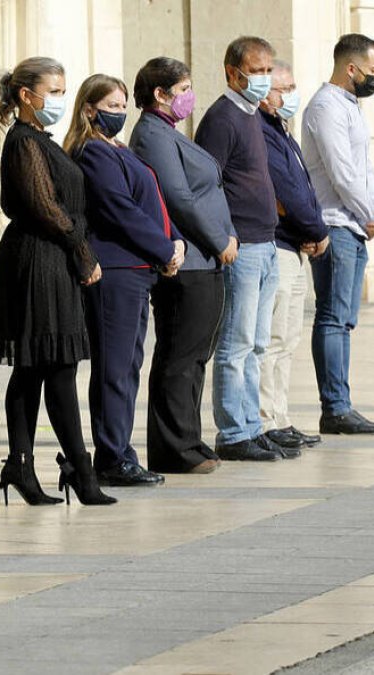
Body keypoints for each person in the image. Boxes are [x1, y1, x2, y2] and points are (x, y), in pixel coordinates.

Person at [0, 58, 115, 507]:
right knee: (50, 365)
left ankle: (27, 466)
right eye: (55, 91)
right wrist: (83, 253)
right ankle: (77, 470)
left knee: (40, 367)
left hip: (53, 258)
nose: (61, 99)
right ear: (27, 96)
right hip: (39, 260)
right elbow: (45, 207)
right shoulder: (23, 141)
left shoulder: (41, 140)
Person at [65, 74, 185, 488]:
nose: (119, 113)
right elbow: (120, 209)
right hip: (116, 272)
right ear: (89, 109)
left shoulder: (117, 148)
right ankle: (112, 456)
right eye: (111, 107)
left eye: (122, 106)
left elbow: (153, 200)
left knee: (129, 364)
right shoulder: (93, 153)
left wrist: (175, 241)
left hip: (139, 269)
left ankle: (120, 450)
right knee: (115, 367)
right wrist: (164, 249)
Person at [130, 57, 235, 474]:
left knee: (195, 356)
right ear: (160, 93)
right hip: (188, 260)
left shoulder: (168, 131)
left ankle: (189, 440)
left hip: (204, 259)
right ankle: (174, 448)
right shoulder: (152, 134)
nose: (190, 96)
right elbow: (178, 196)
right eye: (184, 88)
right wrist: (217, 238)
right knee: (179, 355)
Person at [195, 35, 296, 462]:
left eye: (267, 69)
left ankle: (254, 426)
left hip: (266, 241)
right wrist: (224, 236)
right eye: (255, 71)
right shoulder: (222, 118)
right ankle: (234, 433)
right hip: (242, 246)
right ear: (232, 73)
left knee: (257, 342)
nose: (263, 78)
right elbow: (205, 183)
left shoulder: (253, 114)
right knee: (236, 344)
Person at [301, 33, 374, 435]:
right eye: (372, 71)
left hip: (354, 223)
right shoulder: (325, 107)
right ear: (350, 68)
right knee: (333, 318)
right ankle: (334, 408)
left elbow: (364, 166)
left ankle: (342, 403)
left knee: (345, 320)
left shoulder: (351, 106)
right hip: (336, 224)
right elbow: (340, 172)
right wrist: (365, 212)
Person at [257, 60, 330, 449]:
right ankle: (268, 420)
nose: (288, 96)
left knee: (288, 338)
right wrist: (316, 232)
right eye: (280, 89)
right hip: (280, 245)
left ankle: (281, 416)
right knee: (271, 339)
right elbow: (284, 192)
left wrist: (313, 229)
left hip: (296, 246)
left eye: (292, 87)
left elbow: (304, 189)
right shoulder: (261, 131)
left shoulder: (281, 130)